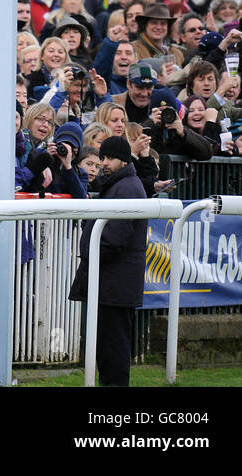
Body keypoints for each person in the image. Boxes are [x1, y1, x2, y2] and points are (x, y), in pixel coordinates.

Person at [68, 136, 147, 386]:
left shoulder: (127, 188)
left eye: (109, 158)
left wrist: (88, 250)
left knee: (113, 352)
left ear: (123, 161)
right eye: (102, 158)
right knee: (108, 350)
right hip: (112, 283)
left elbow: (113, 239)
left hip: (115, 284)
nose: (104, 163)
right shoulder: (121, 185)